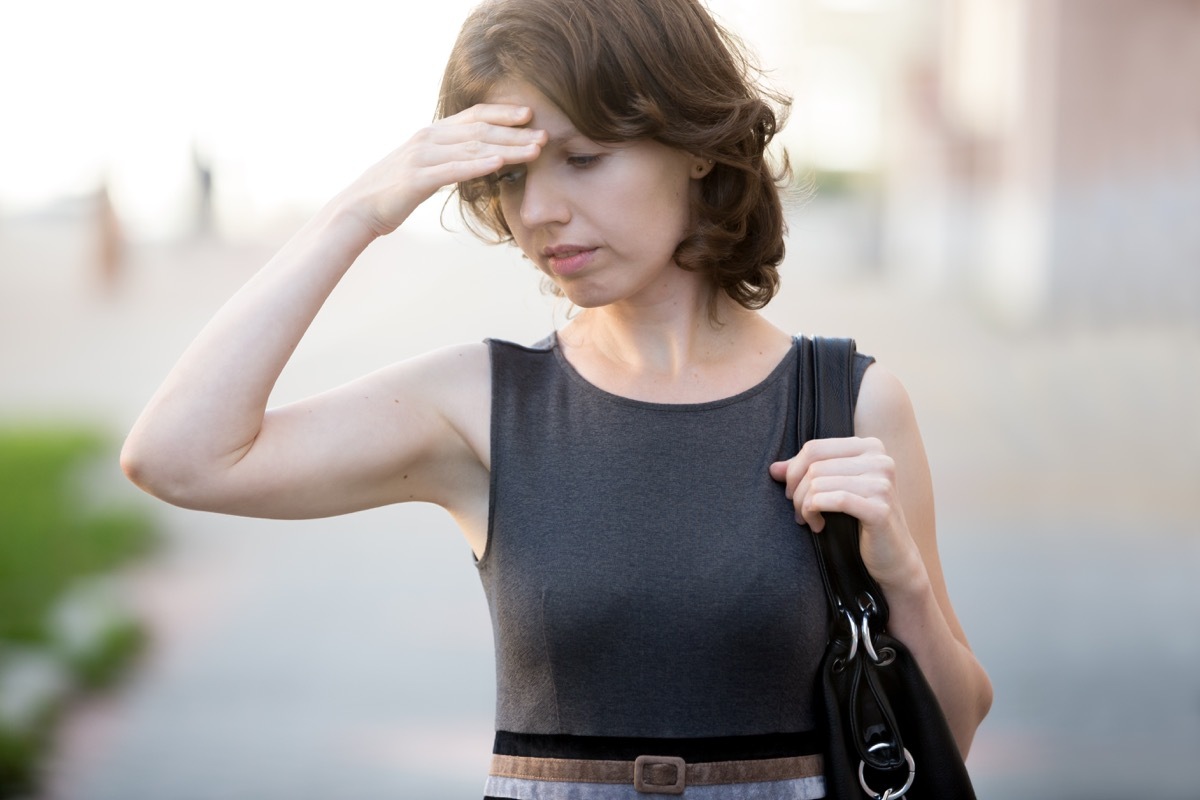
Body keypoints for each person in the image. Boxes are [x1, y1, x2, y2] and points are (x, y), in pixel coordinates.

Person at [121, 0, 992, 796]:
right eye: (508, 176)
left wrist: (901, 581)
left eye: (582, 158)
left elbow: (947, 731)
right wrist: (359, 211)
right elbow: (178, 457)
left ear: (696, 144)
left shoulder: (848, 402)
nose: (537, 210)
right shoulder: (483, 405)